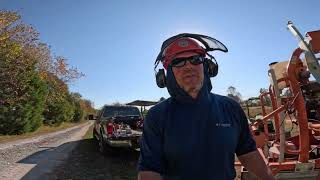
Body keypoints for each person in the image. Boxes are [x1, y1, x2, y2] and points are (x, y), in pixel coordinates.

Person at [138, 34, 274, 180]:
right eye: (178, 62)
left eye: (195, 59)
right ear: (166, 75)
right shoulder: (156, 116)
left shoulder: (230, 108)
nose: (189, 66)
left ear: (207, 67)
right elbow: (149, 170)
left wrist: (269, 178)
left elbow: (248, 153)